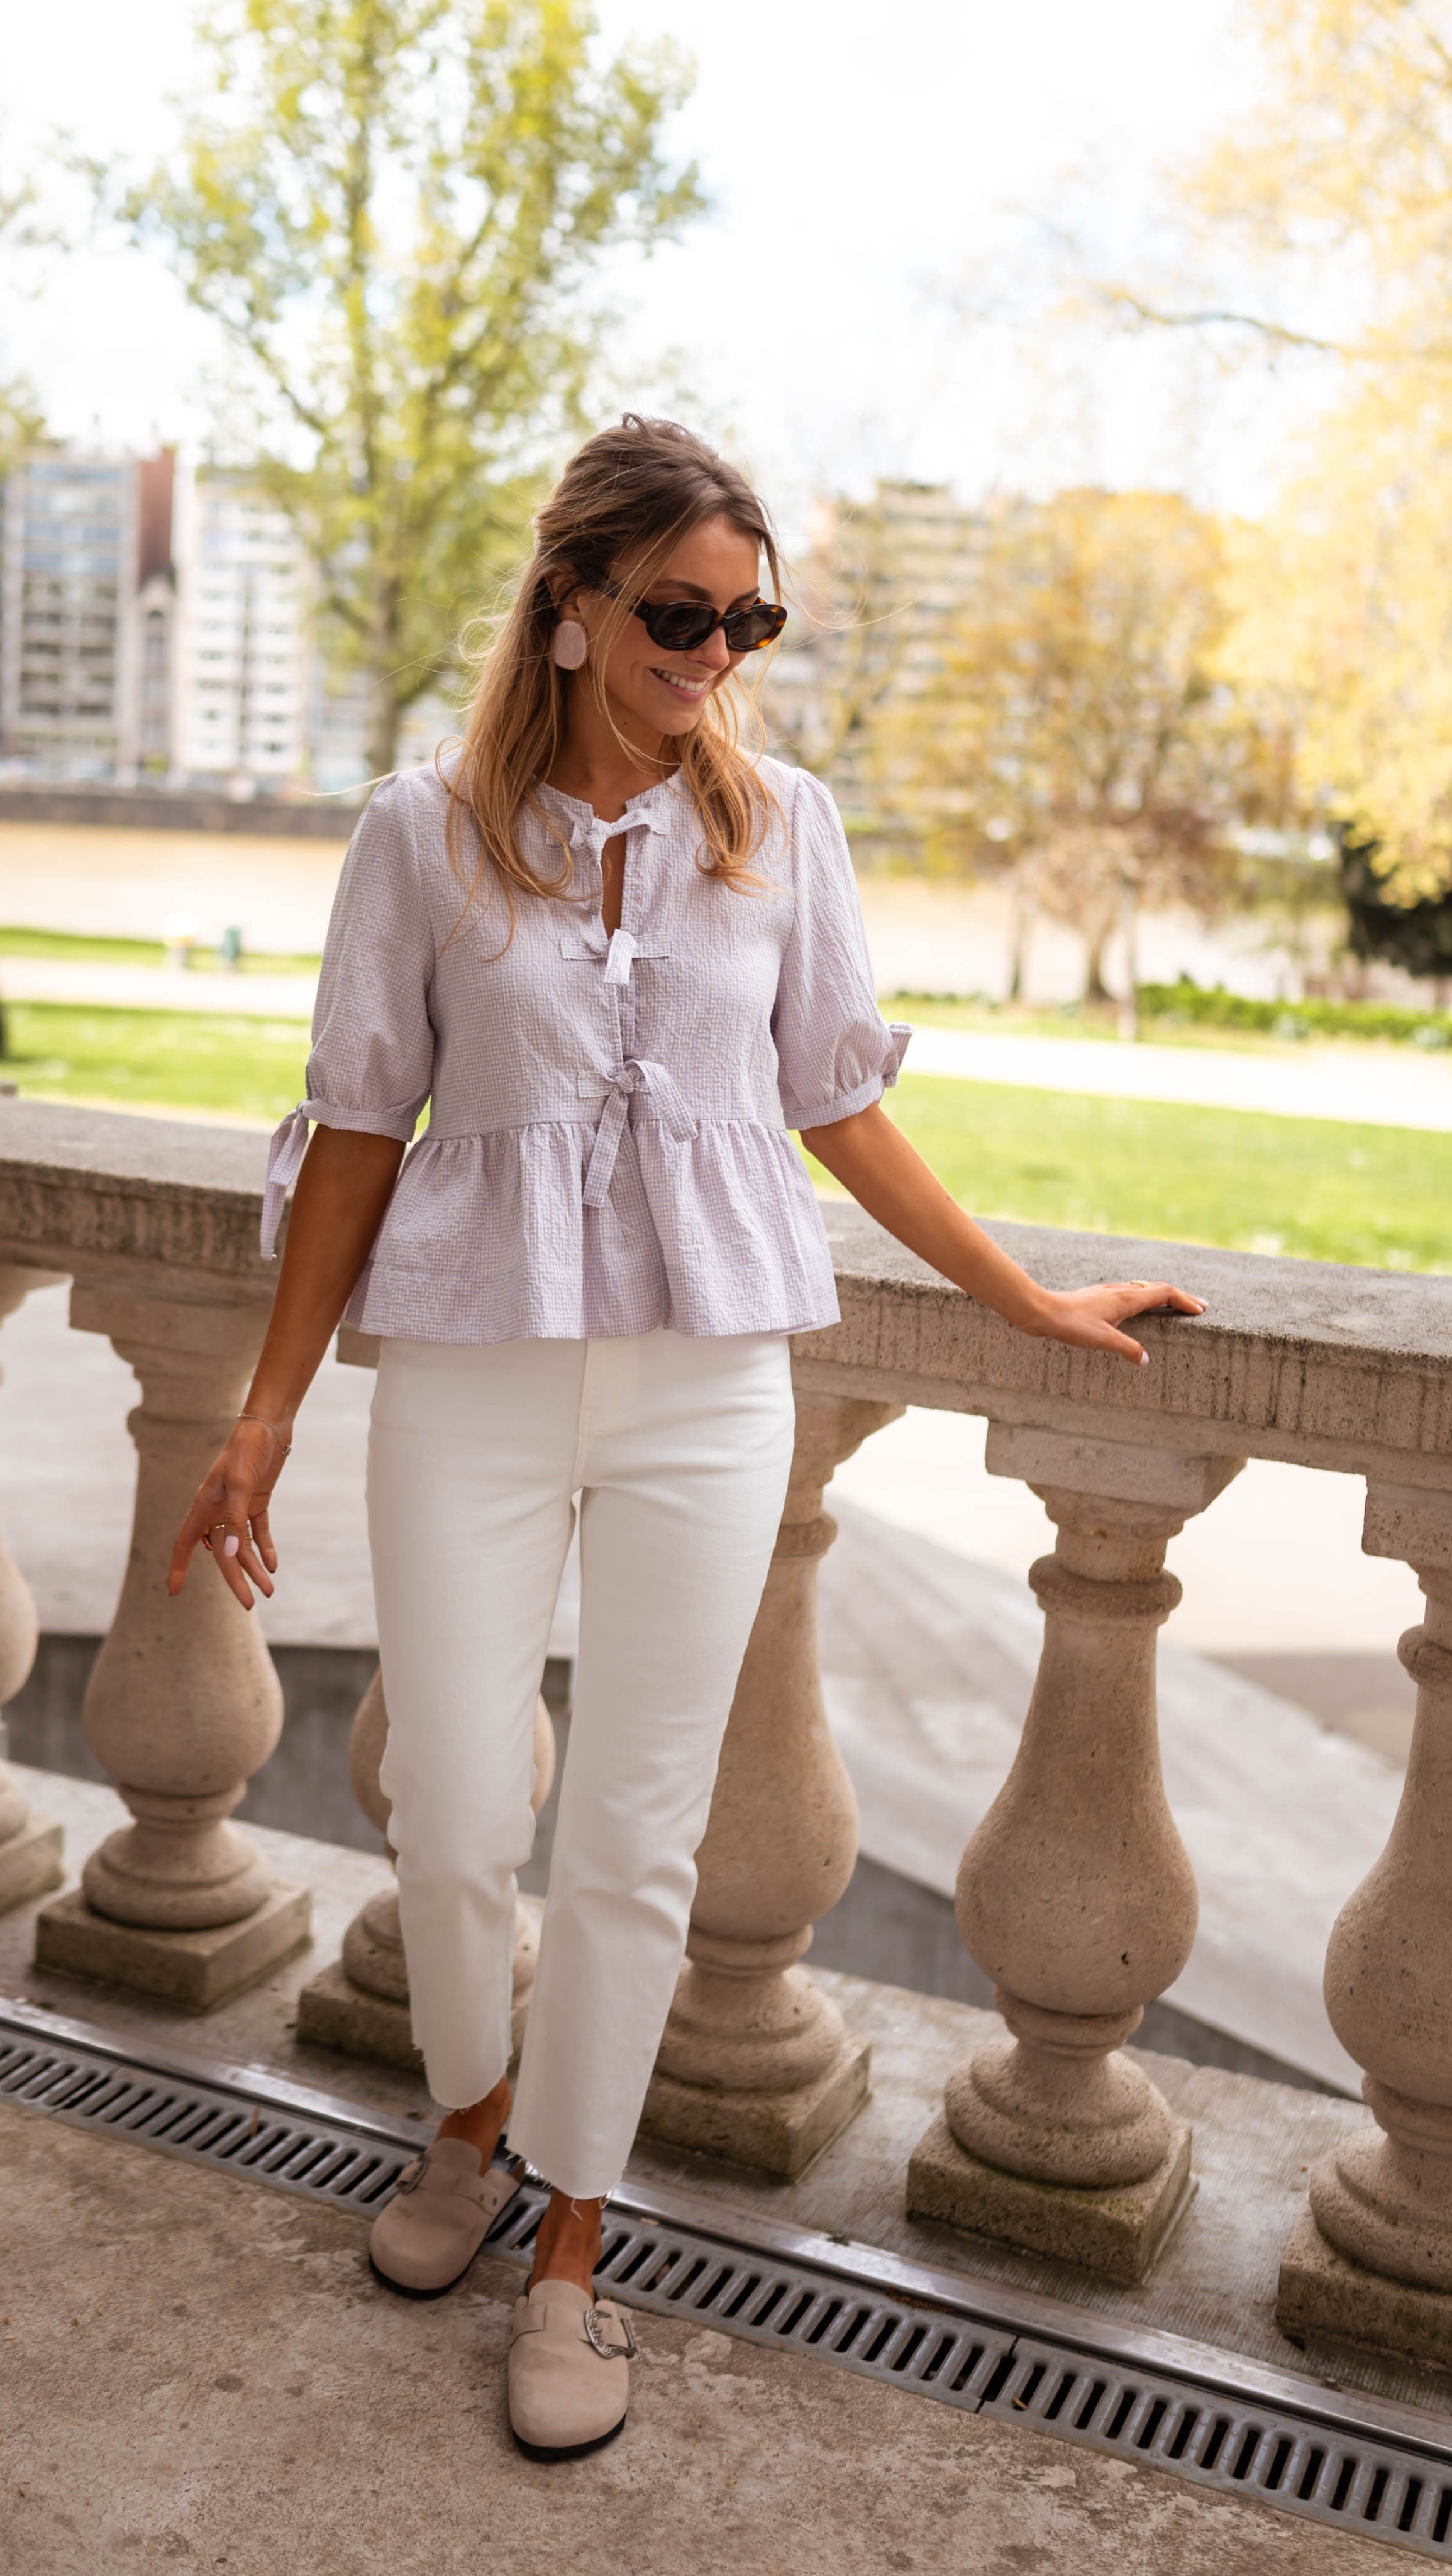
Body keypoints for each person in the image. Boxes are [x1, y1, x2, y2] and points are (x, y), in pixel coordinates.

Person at [168, 414, 1204, 2462]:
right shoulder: (421, 833)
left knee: (637, 1832)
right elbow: (365, 1131)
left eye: (749, 620)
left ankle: (569, 2242)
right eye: (675, 612)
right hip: (472, 1366)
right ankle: (468, 2114)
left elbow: (837, 1101)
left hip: (712, 1382)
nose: (714, 652)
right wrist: (262, 1413)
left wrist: (1027, 1301)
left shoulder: (780, 825)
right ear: (568, 608)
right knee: (458, 1808)